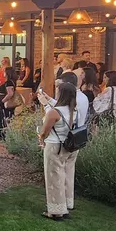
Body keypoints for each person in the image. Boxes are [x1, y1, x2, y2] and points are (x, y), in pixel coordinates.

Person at [37, 81, 80, 221]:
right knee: (66, 175)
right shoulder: (74, 110)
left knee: (54, 177)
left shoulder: (54, 113)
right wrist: (47, 99)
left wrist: (40, 136)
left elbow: (44, 132)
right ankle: (66, 205)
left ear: (61, 94)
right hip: (69, 146)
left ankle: (56, 210)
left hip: (55, 146)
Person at [0, 66, 18, 137]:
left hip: (6, 104)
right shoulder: (12, 81)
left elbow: (10, 93)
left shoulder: (9, 82)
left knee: (5, 118)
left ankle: (4, 135)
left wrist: (2, 101)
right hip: (7, 103)